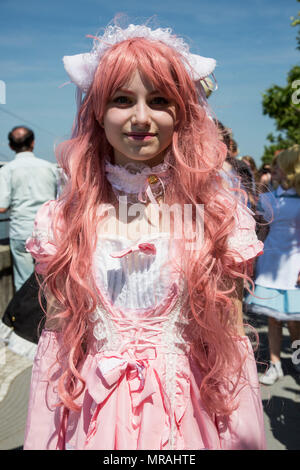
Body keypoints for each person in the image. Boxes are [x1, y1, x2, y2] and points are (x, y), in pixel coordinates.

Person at [23, 23, 265, 450]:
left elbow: (229, 333)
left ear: (182, 112)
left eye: (158, 101)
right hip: (92, 416)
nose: (140, 118)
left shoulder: (214, 214)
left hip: (188, 414)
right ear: (98, 110)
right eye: (122, 99)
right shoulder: (67, 218)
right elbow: (57, 344)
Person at [246, 145, 300, 385]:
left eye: (281, 165)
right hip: (271, 264)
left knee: (294, 320)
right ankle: (275, 364)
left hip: (294, 266)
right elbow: (263, 230)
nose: (275, 169)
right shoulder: (268, 198)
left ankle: (298, 360)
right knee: (273, 319)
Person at [0, 126, 58, 291]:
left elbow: (2, 207)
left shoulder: (6, 171)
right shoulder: (50, 167)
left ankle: (25, 316)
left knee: (24, 283)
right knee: (49, 281)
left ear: (11, 146)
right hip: (48, 231)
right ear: (33, 143)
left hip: (21, 231)